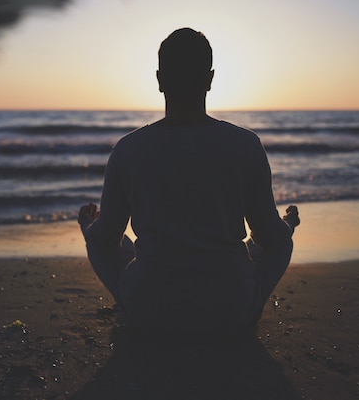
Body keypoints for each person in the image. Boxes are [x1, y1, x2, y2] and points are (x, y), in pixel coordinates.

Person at [78, 28, 299, 339]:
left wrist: (87, 225)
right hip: (230, 313)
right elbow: (268, 237)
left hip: (151, 314)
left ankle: (134, 297)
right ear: (209, 79)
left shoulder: (129, 149)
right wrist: (288, 225)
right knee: (281, 243)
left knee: (103, 244)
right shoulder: (245, 145)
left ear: (159, 79)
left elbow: (105, 241)